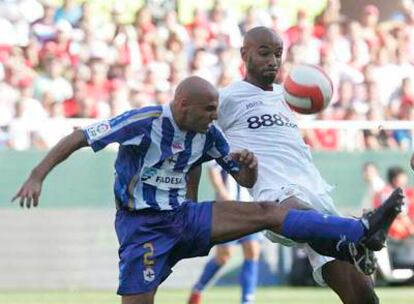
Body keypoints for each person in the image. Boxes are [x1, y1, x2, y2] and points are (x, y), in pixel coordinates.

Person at [13, 76, 401, 304]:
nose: (216, 116)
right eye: (208, 109)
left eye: (217, 109)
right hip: (142, 228)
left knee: (267, 210)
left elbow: (243, 181)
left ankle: (359, 232)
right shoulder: (144, 121)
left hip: (185, 216)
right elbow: (80, 136)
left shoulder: (210, 134)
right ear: (182, 106)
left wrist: (247, 169)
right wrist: (36, 174)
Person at [203, 26, 402, 304]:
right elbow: (197, 132)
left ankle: (351, 242)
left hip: (315, 190)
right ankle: (357, 234)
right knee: (301, 214)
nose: (273, 60)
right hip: (277, 193)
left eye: (278, 54)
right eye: (264, 53)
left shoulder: (287, 96)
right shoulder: (228, 98)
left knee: (363, 296)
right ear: (244, 54)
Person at [188, 163, 261, 304]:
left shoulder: (254, 146)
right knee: (223, 256)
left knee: (252, 251)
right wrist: (224, 194)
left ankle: (247, 300)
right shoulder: (226, 145)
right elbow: (213, 170)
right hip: (229, 209)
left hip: (249, 209)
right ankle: (198, 288)